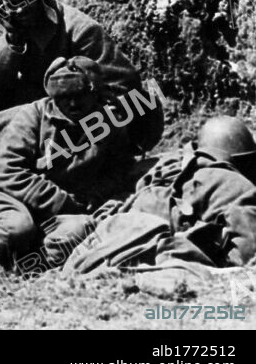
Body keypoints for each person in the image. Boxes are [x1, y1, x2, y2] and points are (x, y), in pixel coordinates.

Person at [0, 0, 162, 158]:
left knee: (29, 129)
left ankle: (18, 162)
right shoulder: (9, 25)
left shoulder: (80, 30)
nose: (20, 10)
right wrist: (12, 41)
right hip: (37, 99)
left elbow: (124, 88)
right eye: (12, 2)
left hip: (77, 107)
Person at [0, 57, 136, 268]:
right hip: (9, 192)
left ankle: (28, 266)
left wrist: (94, 197)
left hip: (66, 205)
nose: (72, 104)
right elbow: (7, 170)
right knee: (18, 228)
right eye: (62, 96)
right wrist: (61, 202)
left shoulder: (109, 122)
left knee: (82, 229)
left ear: (96, 93)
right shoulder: (33, 115)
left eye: (79, 95)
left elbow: (119, 169)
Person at [66, 116, 256, 275]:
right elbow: (247, 257)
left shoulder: (164, 169)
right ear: (245, 159)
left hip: (98, 251)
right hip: (153, 257)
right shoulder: (238, 185)